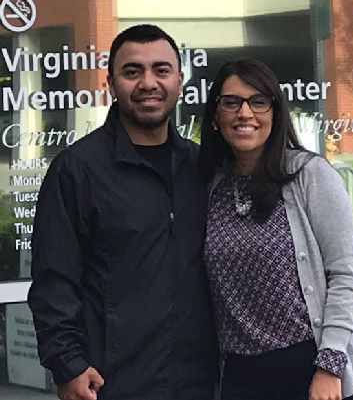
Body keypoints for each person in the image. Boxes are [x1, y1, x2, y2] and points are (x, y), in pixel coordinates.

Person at [28, 24, 219, 400]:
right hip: (110, 383)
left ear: (180, 80)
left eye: (161, 70)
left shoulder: (201, 168)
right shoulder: (78, 169)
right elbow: (54, 281)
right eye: (133, 72)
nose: (149, 83)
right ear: (111, 84)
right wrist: (68, 366)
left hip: (198, 381)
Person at [199, 58, 353, 400]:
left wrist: (329, 365)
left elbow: (346, 274)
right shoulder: (211, 186)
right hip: (241, 375)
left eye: (258, 102)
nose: (245, 114)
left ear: (275, 112)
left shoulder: (309, 175)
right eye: (231, 102)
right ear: (216, 115)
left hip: (317, 369)